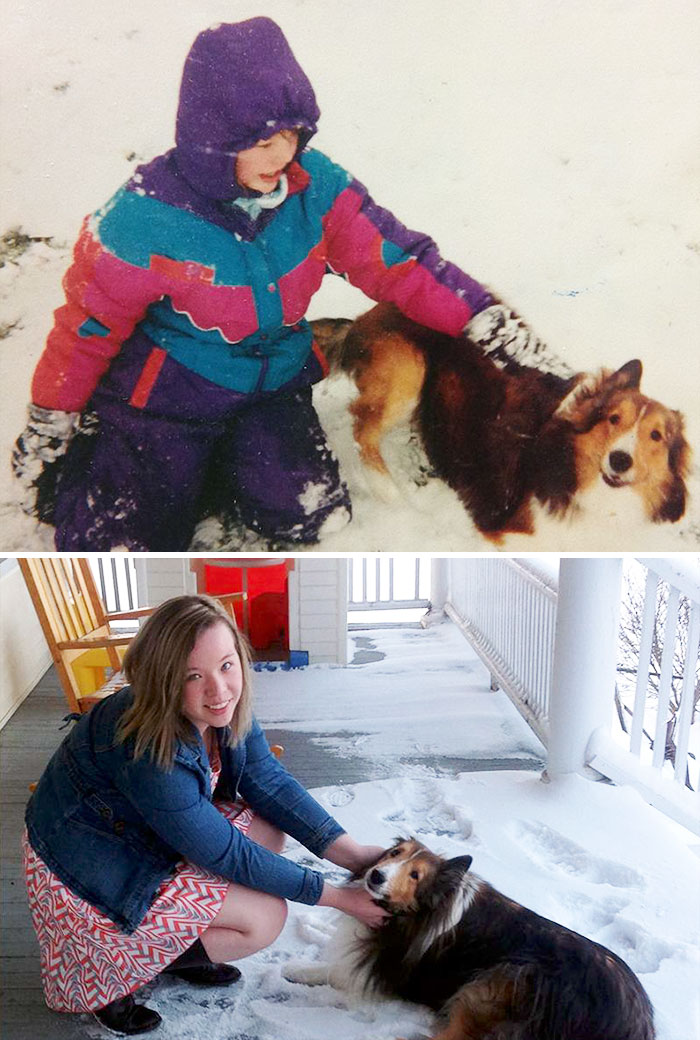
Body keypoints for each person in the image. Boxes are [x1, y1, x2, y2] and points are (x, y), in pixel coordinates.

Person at [12, 17, 570, 551]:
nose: (282, 154)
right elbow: (85, 328)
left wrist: (486, 320)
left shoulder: (314, 187)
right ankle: (112, 451)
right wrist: (49, 417)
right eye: (260, 141)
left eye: (291, 135)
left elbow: (402, 262)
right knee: (121, 544)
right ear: (212, 139)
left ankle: (222, 459)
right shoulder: (139, 221)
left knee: (313, 515)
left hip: (270, 382)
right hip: (170, 393)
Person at [23, 594, 387, 1035]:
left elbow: (265, 778)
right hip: (89, 866)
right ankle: (116, 975)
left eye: (227, 665)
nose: (219, 690)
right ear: (162, 682)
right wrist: (338, 897)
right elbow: (226, 855)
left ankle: (175, 947)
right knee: (264, 919)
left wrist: (348, 851)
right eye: (193, 676)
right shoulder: (146, 746)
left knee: (269, 830)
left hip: (143, 835)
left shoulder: (226, 705)